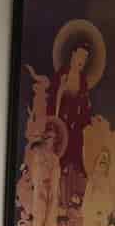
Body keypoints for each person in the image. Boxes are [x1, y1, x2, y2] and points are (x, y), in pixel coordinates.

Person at [24, 43, 93, 206]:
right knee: (57, 152)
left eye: (84, 59)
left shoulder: (83, 81)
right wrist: (57, 115)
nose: (81, 61)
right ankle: (53, 194)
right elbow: (55, 96)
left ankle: (72, 195)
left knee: (77, 149)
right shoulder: (62, 73)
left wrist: (83, 110)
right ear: (73, 55)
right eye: (79, 56)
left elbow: (84, 105)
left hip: (76, 123)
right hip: (60, 120)